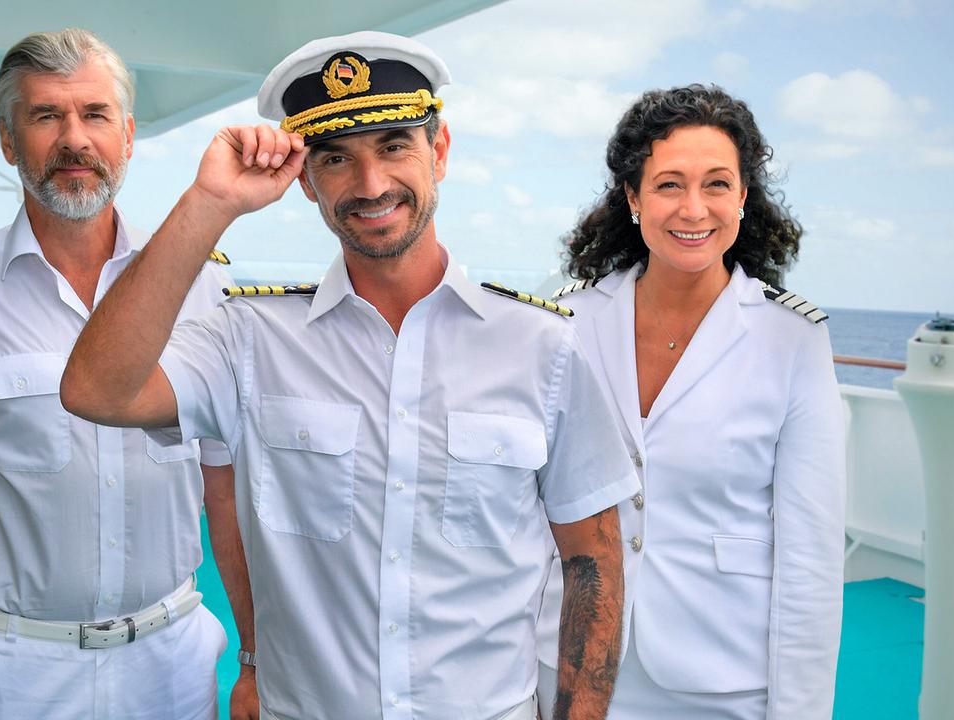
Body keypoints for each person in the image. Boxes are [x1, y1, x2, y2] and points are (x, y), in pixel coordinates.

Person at [61, 31, 639, 720]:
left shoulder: (543, 347)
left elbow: (593, 564)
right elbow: (96, 390)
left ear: (440, 151)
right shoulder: (249, 339)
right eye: (336, 158)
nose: (370, 185)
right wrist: (210, 203)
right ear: (305, 180)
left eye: (394, 145)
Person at [0, 28, 244, 719]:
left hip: (170, 665)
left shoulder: (204, 291)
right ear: (7, 141)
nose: (74, 140)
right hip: (7, 675)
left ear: (127, 135)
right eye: (44, 116)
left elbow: (228, 489)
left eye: (94, 115)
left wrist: (259, 660)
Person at [537, 84, 846, 719]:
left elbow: (809, 556)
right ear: (632, 197)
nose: (693, 208)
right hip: (569, 668)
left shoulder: (792, 340)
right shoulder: (566, 322)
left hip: (723, 680)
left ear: (743, 198)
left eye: (717, 184)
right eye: (669, 184)